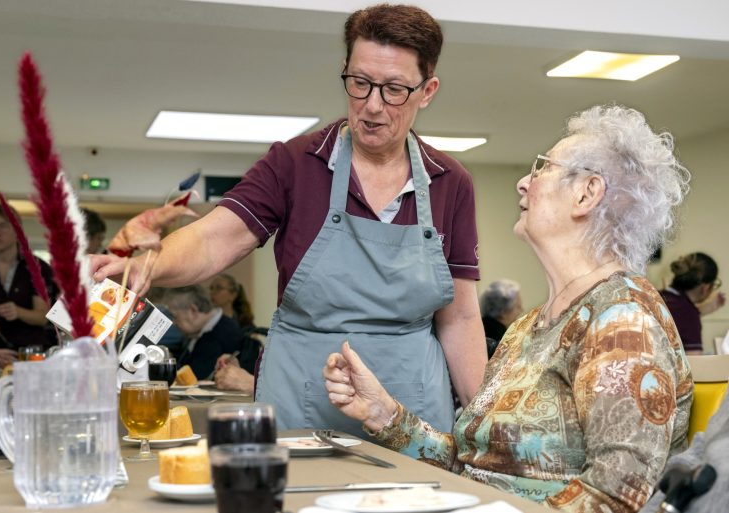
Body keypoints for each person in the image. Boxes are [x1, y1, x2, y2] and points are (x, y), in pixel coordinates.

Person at [93, 4, 486, 433]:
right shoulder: (296, 163)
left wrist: (484, 431)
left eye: (393, 89)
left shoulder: (450, 182)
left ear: (427, 91)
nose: (372, 106)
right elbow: (214, 238)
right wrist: (145, 264)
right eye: (359, 83)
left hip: (412, 408)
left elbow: (461, 318)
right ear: (345, 71)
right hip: (303, 397)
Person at [324, 104, 693, 512]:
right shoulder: (527, 328)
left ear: (586, 193)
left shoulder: (623, 322)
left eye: (542, 168)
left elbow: (615, 496)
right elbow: (472, 465)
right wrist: (384, 413)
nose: (523, 183)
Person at [0, 204, 55, 350]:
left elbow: (42, 317)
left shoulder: (37, 267)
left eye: (3, 226)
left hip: (29, 350)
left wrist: (18, 312)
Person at [163, 285, 243, 380]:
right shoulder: (203, 330)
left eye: (175, 316)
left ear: (193, 311)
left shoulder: (219, 336)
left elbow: (194, 378)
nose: (174, 322)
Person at [660, 252, 725, 354]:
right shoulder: (689, 315)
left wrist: (698, 311)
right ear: (705, 288)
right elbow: (695, 363)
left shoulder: (656, 296)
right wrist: (694, 314)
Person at [479, 279, 523, 355]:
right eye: (518, 306)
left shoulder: (476, 329)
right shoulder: (502, 343)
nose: (521, 310)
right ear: (503, 311)